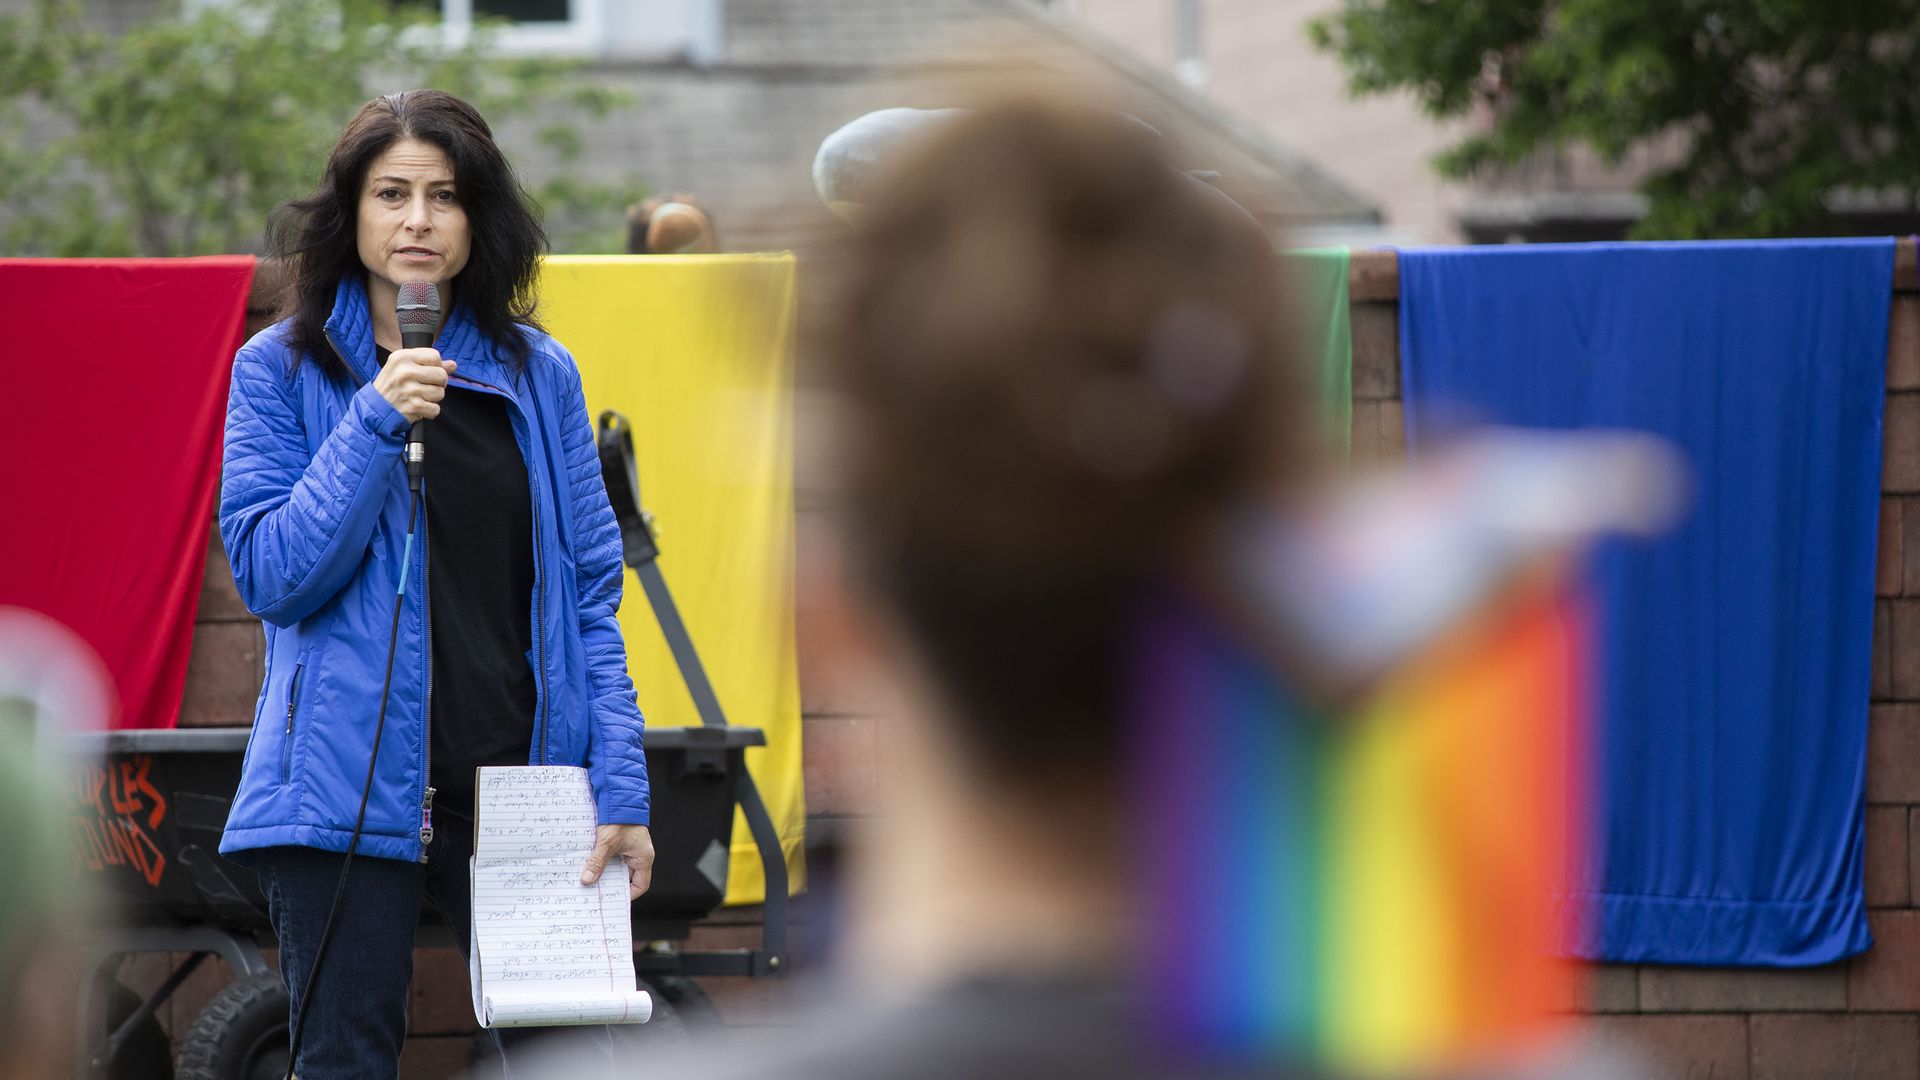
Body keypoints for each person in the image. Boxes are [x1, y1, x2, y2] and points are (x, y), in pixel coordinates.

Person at [217, 89, 654, 1080]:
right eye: (392, 193)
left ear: (477, 219)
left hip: (523, 784)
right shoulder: (277, 372)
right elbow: (277, 576)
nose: (418, 219)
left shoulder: (539, 375)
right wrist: (374, 417)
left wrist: (620, 787)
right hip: (341, 785)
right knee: (344, 1059)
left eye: (445, 196)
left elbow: (589, 597)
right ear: (352, 215)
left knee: (569, 1060)